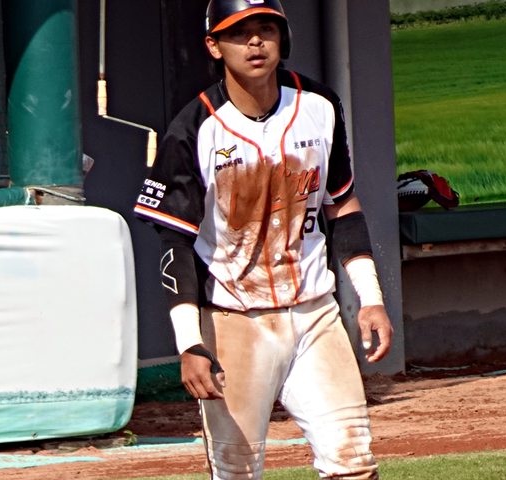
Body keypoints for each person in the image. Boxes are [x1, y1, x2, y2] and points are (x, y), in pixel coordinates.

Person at [134, 0, 393, 477]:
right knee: (236, 472)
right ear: (214, 45)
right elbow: (175, 244)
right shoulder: (194, 127)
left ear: (283, 38)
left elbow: (342, 206)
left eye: (266, 29)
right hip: (234, 322)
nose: (255, 42)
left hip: (315, 316)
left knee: (354, 463)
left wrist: (371, 299)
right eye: (239, 32)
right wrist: (190, 344)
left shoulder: (318, 106)